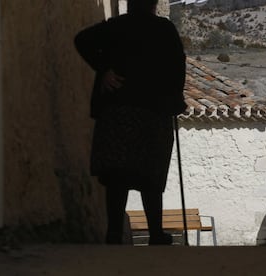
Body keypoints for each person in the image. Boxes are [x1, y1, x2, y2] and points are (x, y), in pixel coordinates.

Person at [74, 0, 187, 245]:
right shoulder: (164, 29)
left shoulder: (116, 26)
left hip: (119, 111)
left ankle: (114, 233)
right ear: (154, 4)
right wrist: (175, 99)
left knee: (117, 174)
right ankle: (156, 234)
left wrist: (104, 69)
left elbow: (82, 40)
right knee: (151, 175)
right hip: (153, 112)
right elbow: (179, 66)